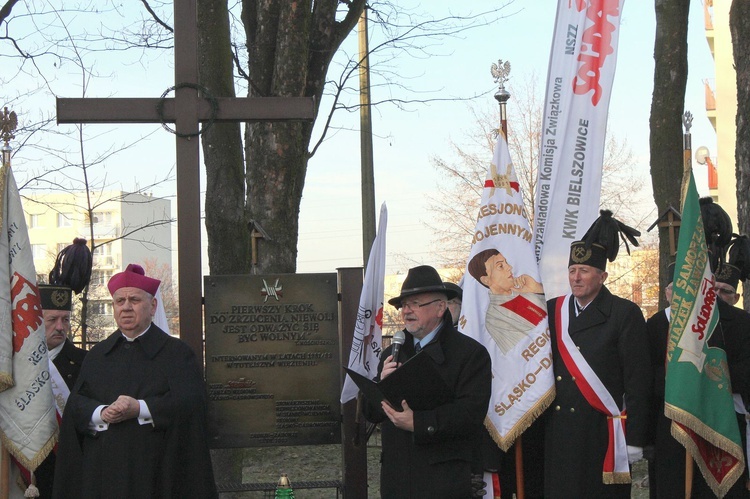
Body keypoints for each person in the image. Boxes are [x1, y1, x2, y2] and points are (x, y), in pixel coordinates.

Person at [53, 264, 218, 499]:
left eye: (134, 300)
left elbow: (191, 403)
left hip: (158, 474)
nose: (126, 308)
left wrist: (140, 409)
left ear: (152, 306)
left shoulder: (176, 353)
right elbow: (77, 405)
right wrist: (101, 412)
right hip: (105, 475)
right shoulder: (98, 355)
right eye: (120, 301)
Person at [544, 210, 652, 498]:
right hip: (560, 432)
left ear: (602, 276)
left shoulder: (624, 313)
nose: (576, 278)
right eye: (571, 271)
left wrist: (635, 438)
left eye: (584, 271)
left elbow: (638, 380)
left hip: (601, 434)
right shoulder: (554, 310)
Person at [363, 265, 492, 498]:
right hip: (397, 481)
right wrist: (381, 385)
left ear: (440, 307)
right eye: (403, 305)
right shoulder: (392, 353)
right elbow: (371, 414)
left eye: (415, 304)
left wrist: (419, 422)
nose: (406, 311)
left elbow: (470, 414)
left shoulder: (470, 354)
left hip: (442, 481)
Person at [647, 208, 750, 498]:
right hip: (674, 424)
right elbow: (648, 375)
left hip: (722, 422)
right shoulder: (657, 325)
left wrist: (707, 382)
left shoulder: (739, 322)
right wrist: (682, 383)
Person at [31, 284, 88, 498]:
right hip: (25, 463)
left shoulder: (85, 363)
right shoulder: (17, 365)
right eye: (52, 319)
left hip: (67, 463)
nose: (60, 327)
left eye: (65, 319)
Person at [467, 248, 546, 355]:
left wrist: (538, 290)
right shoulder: (494, 318)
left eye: (506, 263)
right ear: (486, 280)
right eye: (500, 266)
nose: (509, 267)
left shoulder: (526, 291)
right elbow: (523, 353)